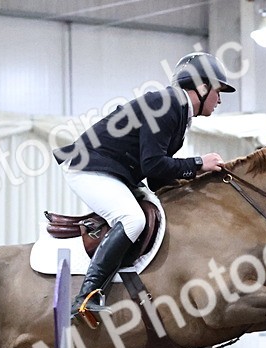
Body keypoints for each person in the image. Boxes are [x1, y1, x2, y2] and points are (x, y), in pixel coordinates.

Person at [53, 52, 236, 321]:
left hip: (117, 171)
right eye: (218, 91)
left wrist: (197, 183)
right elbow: (153, 165)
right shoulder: (167, 103)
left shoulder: (179, 111)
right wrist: (199, 163)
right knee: (132, 219)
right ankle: (87, 296)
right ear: (201, 86)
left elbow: (157, 178)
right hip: (88, 166)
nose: (220, 99)